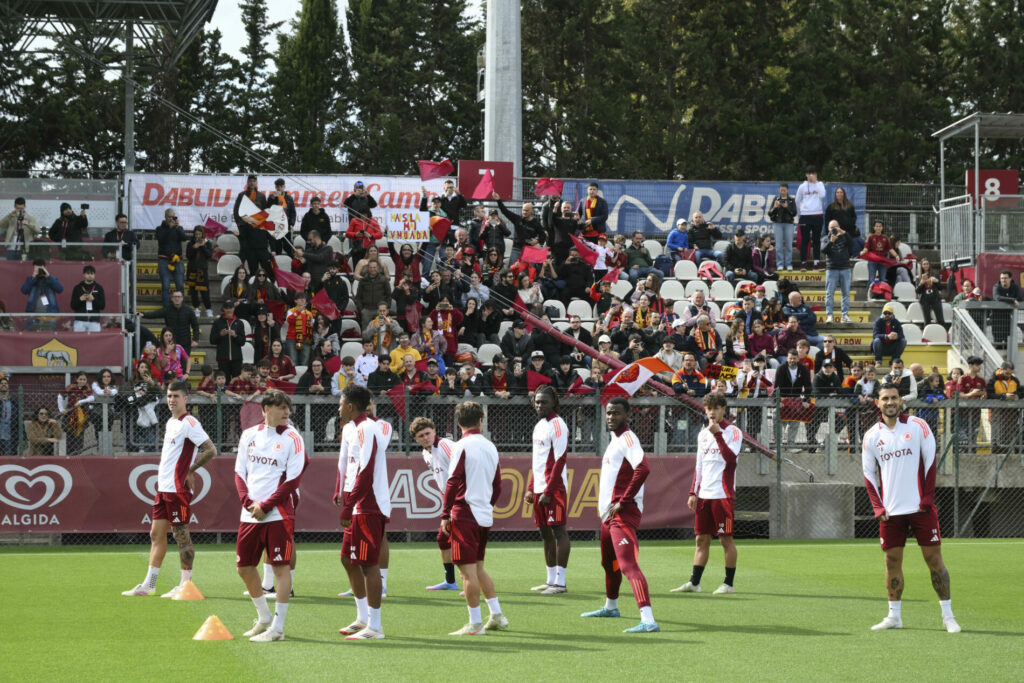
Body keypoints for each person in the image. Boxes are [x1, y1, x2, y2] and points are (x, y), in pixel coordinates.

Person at [862, 383, 960, 633]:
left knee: (934, 560)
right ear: (877, 402)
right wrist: (877, 506)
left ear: (901, 401)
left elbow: (930, 462)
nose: (890, 402)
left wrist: (927, 498)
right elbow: (868, 474)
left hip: (920, 509)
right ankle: (894, 616)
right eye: (885, 398)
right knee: (891, 561)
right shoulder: (872, 435)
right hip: (890, 511)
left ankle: (948, 615)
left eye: (894, 397)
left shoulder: (918, 426)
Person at [122, 381, 217, 597]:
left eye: (176, 396)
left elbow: (211, 450)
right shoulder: (171, 422)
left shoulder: (190, 422)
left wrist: (190, 470)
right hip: (164, 488)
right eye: (169, 395)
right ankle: (150, 584)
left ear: (186, 398)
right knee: (156, 534)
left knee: (181, 536)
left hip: (177, 490)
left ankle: (186, 585)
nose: (171, 399)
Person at [233, 389, 307, 642]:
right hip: (250, 512)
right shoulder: (249, 435)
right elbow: (239, 474)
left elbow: (293, 480)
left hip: (278, 513)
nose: (286, 412)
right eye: (281, 407)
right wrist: (248, 502)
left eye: (287, 408)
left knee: (280, 567)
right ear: (266, 409)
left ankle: (278, 628)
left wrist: (266, 505)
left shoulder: (293, 438)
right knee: (244, 567)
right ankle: (264, 617)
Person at [581, 397, 658, 633]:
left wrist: (623, 501)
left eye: (616, 413)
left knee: (628, 565)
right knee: (609, 564)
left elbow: (643, 468)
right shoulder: (615, 440)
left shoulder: (628, 438)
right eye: (608, 413)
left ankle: (648, 620)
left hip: (622, 513)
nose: (611, 417)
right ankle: (611, 607)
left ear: (628, 415)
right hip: (608, 515)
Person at [441, 401, 508, 636]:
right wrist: (487, 505)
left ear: (458, 422)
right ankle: (497, 615)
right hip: (483, 514)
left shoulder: (461, 446)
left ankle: (475, 623)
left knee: (466, 572)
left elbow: (452, 482)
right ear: (482, 420)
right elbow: (498, 484)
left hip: (465, 512)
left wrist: (444, 513)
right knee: (479, 568)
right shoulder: (490, 446)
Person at [335, 386, 392, 640]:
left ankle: (376, 626)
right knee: (348, 559)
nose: (338, 408)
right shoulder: (352, 429)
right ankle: (361, 618)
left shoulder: (368, 427)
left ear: (349, 406)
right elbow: (348, 465)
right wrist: (341, 491)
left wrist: (350, 504)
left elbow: (366, 470)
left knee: (369, 565)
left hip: (369, 504)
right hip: (358, 502)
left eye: (340, 403)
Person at [673, 392, 743, 595]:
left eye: (716, 408)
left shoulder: (733, 432)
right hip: (704, 495)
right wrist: (692, 492)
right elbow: (699, 465)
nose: (712, 412)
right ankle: (694, 583)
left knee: (725, 540)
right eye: (709, 408)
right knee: (701, 540)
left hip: (723, 495)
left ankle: (728, 584)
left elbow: (731, 460)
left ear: (723, 409)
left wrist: (718, 434)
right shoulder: (702, 434)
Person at [525, 386, 571, 595]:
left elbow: (560, 460)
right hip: (539, 488)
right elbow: (538, 461)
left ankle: (560, 583)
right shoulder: (538, 426)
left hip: (554, 489)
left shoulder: (558, 425)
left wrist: (549, 491)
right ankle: (550, 579)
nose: (539, 405)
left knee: (558, 531)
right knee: (544, 533)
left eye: (543, 402)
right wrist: (530, 487)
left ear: (554, 402)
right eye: (537, 401)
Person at [409, 417, 461, 591]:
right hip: (451, 503)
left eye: (427, 433)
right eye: (421, 435)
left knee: (462, 542)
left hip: (463, 500)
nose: (425, 437)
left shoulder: (447, 446)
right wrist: (446, 508)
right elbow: (441, 482)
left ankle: (471, 581)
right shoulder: (426, 453)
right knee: (443, 539)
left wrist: (455, 505)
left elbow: (464, 471)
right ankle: (451, 581)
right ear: (416, 439)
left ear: (434, 431)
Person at [233, 175, 272, 277]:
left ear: (256, 183)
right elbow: (236, 211)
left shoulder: (261, 196)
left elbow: (265, 212)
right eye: (250, 181)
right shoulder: (241, 195)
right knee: (245, 252)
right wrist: (240, 224)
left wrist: (259, 221)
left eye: (254, 181)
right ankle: (241, 274)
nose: (252, 183)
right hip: (245, 229)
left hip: (258, 231)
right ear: (247, 182)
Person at [142, 289, 200, 357]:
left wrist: (195, 339)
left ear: (182, 298)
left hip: (185, 343)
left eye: (179, 297)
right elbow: (155, 314)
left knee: (184, 364)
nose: (177, 298)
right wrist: (143, 314)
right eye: (175, 297)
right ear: (172, 298)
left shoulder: (189, 310)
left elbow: (195, 325)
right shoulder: (167, 309)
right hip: (171, 342)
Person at [153, 208, 187, 308]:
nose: (171, 219)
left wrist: (176, 228)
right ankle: (166, 308)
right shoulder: (160, 228)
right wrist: (169, 228)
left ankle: (181, 307)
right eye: (169, 217)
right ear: (165, 217)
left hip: (177, 260)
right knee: (166, 286)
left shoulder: (178, 228)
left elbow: (184, 238)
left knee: (180, 285)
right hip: (164, 260)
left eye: (173, 217)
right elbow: (161, 238)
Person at [822, 220, 853, 322]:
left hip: (845, 268)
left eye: (836, 227)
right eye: (832, 227)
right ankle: (830, 315)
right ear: (828, 228)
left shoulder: (844, 236)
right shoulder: (825, 238)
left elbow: (852, 244)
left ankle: (845, 315)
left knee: (846, 293)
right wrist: (831, 241)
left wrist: (844, 233)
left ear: (839, 227)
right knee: (829, 293)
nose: (834, 229)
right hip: (832, 269)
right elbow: (823, 250)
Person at [795, 165, 825, 268]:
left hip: (817, 215)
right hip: (805, 216)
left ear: (816, 174)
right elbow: (797, 200)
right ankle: (803, 262)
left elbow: (822, 195)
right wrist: (800, 214)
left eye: (813, 173)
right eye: (809, 173)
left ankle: (816, 262)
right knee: (805, 239)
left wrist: (815, 182)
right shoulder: (802, 186)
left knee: (816, 239)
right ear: (806, 175)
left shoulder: (820, 184)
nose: (811, 175)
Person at [344, 181, 379, 266]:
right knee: (355, 250)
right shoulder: (351, 199)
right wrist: (355, 195)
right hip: (355, 227)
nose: (359, 190)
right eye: (357, 189)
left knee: (367, 253)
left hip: (366, 227)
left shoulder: (366, 198)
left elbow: (374, 204)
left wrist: (368, 195)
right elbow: (345, 204)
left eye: (361, 188)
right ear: (354, 189)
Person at [209, 300, 247, 380]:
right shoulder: (217, 323)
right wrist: (220, 335)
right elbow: (212, 340)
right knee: (223, 382)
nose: (229, 310)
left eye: (231, 307)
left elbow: (243, 342)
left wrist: (235, 335)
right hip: (222, 358)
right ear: (224, 309)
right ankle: (222, 393)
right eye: (226, 308)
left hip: (236, 359)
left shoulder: (239, 323)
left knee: (236, 383)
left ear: (234, 308)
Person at [21, 258, 62, 330]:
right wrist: (33, 277)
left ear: (45, 268)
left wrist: (48, 276)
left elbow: (60, 289)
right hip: (33, 315)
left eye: (40, 269)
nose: (39, 271)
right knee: (32, 338)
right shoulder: (30, 279)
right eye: (36, 269)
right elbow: (24, 290)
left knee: (48, 337)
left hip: (49, 315)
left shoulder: (51, 279)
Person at [185, 226, 214, 318]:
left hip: (202, 271)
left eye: (199, 234)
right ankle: (196, 308)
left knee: (205, 292)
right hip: (192, 270)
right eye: (196, 234)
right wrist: (194, 247)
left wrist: (203, 246)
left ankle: (208, 309)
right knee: (193, 292)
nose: (198, 236)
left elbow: (209, 255)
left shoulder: (207, 243)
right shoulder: (190, 244)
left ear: (202, 234)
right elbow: (188, 256)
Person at [824, 186, 861, 255]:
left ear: (844, 194)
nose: (839, 194)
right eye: (837, 192)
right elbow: (827, 221)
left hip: (848, 232)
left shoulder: (850, 205)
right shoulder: (831, 207)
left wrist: (850, 224)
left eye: (841, 192)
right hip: (836, 232)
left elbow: (854, 217)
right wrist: (829, 233)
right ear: (835, 194)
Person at [768, 183, 797, 270]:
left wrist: (787, 207)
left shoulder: (791, 200)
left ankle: (788, 264)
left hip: (789, 224)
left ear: (787, 190)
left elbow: (794, 213)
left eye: (784, 190)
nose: (782, 192)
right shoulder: (776, 199)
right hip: (778, 224)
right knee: (779, 245)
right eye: (781, 190)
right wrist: (775, 207)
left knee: (788, 245)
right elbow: (770, 213)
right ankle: (780, 263)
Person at [69, 265, 106, 332]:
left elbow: (102, 306)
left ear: (94, 275)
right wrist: (80, 299)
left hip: (94, 322)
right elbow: (72, 306)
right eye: (88, 273)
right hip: (80, 321)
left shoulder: (99, 288)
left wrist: (93, 299)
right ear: (84, 274)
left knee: (95, 341)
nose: (90, 276)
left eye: (92, 274)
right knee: (79, 341)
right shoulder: (77, 288)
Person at [266, 178, 297, 254]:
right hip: (276, 226)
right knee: (277, 248)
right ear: (275, 187)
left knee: (289, 248)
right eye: (277, 186)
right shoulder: (272, 197)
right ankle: (277, 264)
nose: (279, 188)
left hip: (286, 226)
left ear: (284, 186)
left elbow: (293, 212)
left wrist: (292, 224)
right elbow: (267, 209)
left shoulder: (289, 198)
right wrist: (272, 199)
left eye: (281, 186)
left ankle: (292, 264)